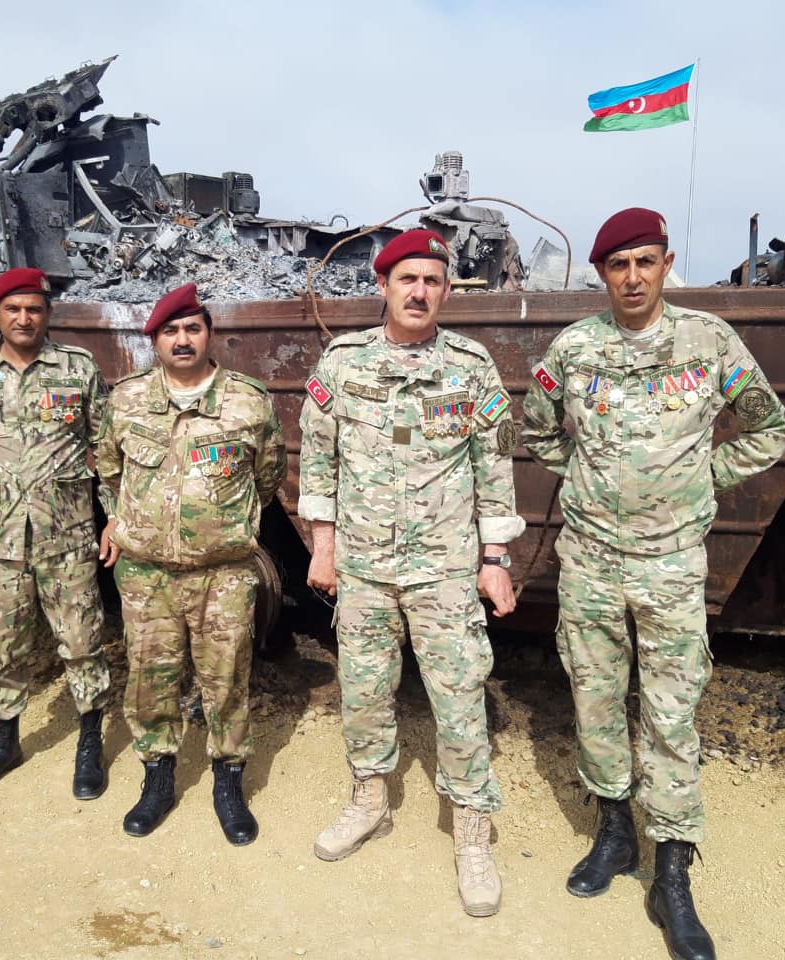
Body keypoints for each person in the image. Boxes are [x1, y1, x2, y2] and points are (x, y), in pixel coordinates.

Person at [522, 208, 785, 960]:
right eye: (618, 265)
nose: (633, 277)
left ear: (666, 264)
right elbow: (537, 429)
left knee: (671, 715)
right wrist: (587, 480)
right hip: (591, 562)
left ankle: (673, 869)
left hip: (670, 563)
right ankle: (615, 834)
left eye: (646, 261)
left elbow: (769, 429)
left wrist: (704, 477)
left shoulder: (709, 342)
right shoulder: (575, 349)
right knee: (597, 700)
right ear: (602, 274)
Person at [298, 229, 525, 917]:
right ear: (384, 286)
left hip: (444, 570)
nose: (419, 292)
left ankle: (472, 832)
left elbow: (494, 468)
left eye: (431, 281)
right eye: (407, 280)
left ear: (446, 292)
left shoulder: (472, 368)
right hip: (364, 567)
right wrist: (323, 546)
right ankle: (370, 800)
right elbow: (318, 458)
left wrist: (495, 560)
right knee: (364, 691)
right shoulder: (343, 363)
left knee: (459, 698)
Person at [96, 282, 286, 845]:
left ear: (209, 334)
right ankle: (157, 777)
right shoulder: (126, 400)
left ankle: (228, 780)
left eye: (192, 329)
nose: (182, 339)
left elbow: (268, 476)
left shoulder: (248, 402)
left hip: (223, 575)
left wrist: (221, 528)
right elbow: (108, 469)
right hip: (146, 574)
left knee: (226, 681)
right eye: (170, 331)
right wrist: (124, 519)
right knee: (149, 681)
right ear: (154, 340)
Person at [0, 267, 111, 798]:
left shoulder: (77, 368)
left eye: (34, 309)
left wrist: (116, 519)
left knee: (82, 640)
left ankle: (90, 742)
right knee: (0, 642)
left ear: (48, 314)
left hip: (67, 534)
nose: (24, 318)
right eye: (13, 309)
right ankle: (5, 741)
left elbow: (106, 449)